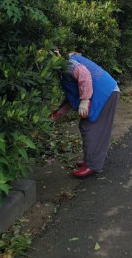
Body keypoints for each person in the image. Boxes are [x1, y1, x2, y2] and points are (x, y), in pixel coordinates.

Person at [50, 51, 120, 179]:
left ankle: (92, 165)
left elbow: (84, 75)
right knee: (95, 128)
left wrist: (85, 100)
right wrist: (60, 111)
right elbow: (74, 93)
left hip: (104, 92)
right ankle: (92, 159)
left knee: (89, 127)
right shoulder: (64, 64)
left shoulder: (66, 63)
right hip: (106, 90)